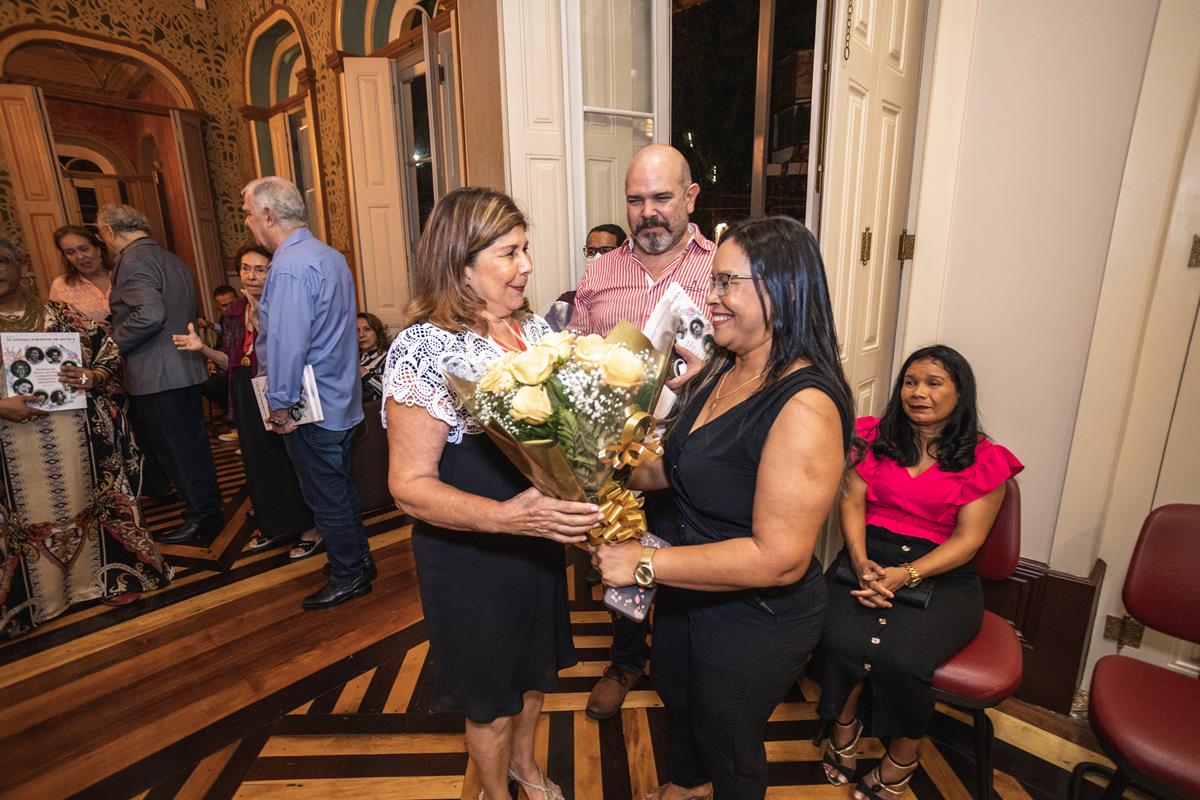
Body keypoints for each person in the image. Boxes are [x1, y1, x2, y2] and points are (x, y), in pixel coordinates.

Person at [595, 216, 854, 800]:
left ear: (784, 290)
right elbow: (676, 467)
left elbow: (779, 558)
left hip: (756, 615)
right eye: (713, 280)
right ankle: (688, 787)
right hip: (694, 589)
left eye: (726, 282)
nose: (710, 297)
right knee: (680, 699)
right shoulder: (725, 368)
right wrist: (597, 459)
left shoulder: (805, 406)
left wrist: (643, 563)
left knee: (728, 740)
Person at [385, 187, 603, 800]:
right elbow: (408, 487)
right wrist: (506, 518)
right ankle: (494, 790)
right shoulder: (424, 348)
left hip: (535, 540)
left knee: (532, 675)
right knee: (489, 701)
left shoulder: (531, 330)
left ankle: (525, 769)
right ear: (460, 265)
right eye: (509, 252)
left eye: (525, 249)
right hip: (471, 554)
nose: (526, 265)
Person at [814, 345, 1023, 800]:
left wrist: (905, 575)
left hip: (942, 570)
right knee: (836, 638)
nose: (918, 392)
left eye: (933, 383)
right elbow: (851, 501)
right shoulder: (870, 437)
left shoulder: (985, 459)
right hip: (868, 557)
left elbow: (967, 542)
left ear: (960, 393)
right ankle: (844, 727)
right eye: (910, 382)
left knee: (903, 659)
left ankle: (902, 756)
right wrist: (859, 561)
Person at [570, 144, 716, 723]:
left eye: (661, 197)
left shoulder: (721, 267)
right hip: (620, 455)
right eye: (636, 200)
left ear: (691, 197)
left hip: (699, 451)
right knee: (622, 555)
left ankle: (685, 662)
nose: (648, 212)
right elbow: (575, 358)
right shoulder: (600, 272)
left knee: (690, 555)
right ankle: (625, 662)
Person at [0, 234, 172, 638]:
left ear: (20, 265)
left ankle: (108, 577)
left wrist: (93, 375)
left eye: (1, 261)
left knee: (89, 499)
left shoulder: (60, 315)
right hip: (10, 444)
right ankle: (31, 599)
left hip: (75, 435)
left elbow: (108, 350)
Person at [244, 176, 371, 610]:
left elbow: (287, 343)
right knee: (339, 488)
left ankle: (349, 574)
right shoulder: (329, 255)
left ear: (268, 215)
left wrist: (279, 406)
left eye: (248, 214)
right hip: (340, 397)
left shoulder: (289, 266)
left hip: (311, 408)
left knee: (325, 496)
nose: (247, 223)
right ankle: (359, 562)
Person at [172, 243, 315, 554]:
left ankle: (310, 528)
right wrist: (202, 349)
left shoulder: (287, 303)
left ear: (273, 272)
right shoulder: (234, 311)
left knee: (292, 461)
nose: (252, 276)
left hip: (282, 385)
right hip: (245, 388)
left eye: (260, 269)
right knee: (259, 463)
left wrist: (264, 316)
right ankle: (275, 526)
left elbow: (294, 351)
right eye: (246, 269)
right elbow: (231, 361)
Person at [101, 203, 223, 545]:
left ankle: (202, 517)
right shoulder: (172, 259)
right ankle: (208, 511)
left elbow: (150, 315)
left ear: (109, 231)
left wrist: (112, 342)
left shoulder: (133, 260)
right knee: (193, 448)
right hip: (183, 368)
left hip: (157, 373)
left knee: (177, 451)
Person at [48, 225, 112, 326]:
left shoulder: (123, 275)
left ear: (98, 250)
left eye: (84, 249)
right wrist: (88, 328)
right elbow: (55, 327)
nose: (80, 256)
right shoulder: (60, 285)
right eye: (70, 252)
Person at [356, 312, 389, 402]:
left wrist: (362, 372)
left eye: (367, 329)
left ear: (377, 332)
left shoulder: (388, 357)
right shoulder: (353, 357)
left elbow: (387, 390)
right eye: (357, 331)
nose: (361, 335)